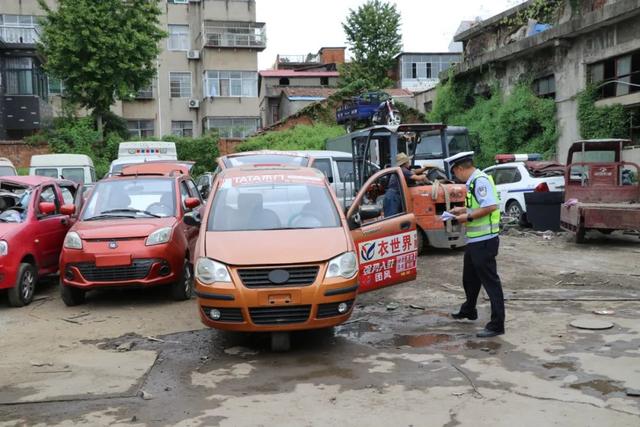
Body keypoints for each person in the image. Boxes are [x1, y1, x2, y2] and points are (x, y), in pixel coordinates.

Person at [446, 151, 505, 338]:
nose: (456, 177)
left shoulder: (480, 181)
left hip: (485, 240)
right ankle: (469, 309)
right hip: (475, 241)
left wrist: (467, 216)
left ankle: (497, 324)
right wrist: (461, 210)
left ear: (460, 168)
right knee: (469, 278)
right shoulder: (473, 181)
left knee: (490, 283)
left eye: (455, 173)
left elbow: (490, 206)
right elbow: (479, 205)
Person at [383, 152, 429, 217]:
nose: (409, 162)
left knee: (396, 216)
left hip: (394, 195)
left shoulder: (402, 169)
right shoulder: (403, 170)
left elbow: (414, 171)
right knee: (391, 218)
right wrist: (425, 175)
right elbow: (418, 178)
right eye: (408, 161)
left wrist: (425, 169)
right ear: (405, 163)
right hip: (393, 196)